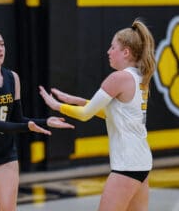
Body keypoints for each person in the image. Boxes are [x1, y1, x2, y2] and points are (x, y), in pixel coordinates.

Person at [39, 18, 155, 211]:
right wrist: (73, 100)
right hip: (142, 162)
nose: (108, 52)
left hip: (127, 165)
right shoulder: (140, 77)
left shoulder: (118, 78)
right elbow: (113, 113)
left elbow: (86, 114)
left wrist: (57, 106)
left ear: (125, 52)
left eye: (113, 47)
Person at [0, 27, 74, 211]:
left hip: (5, 154)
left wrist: (45, 121)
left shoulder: (13, 78)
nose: (0, 49)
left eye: (2, 45)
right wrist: (29, 127)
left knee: (8, 208)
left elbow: (18, 118)